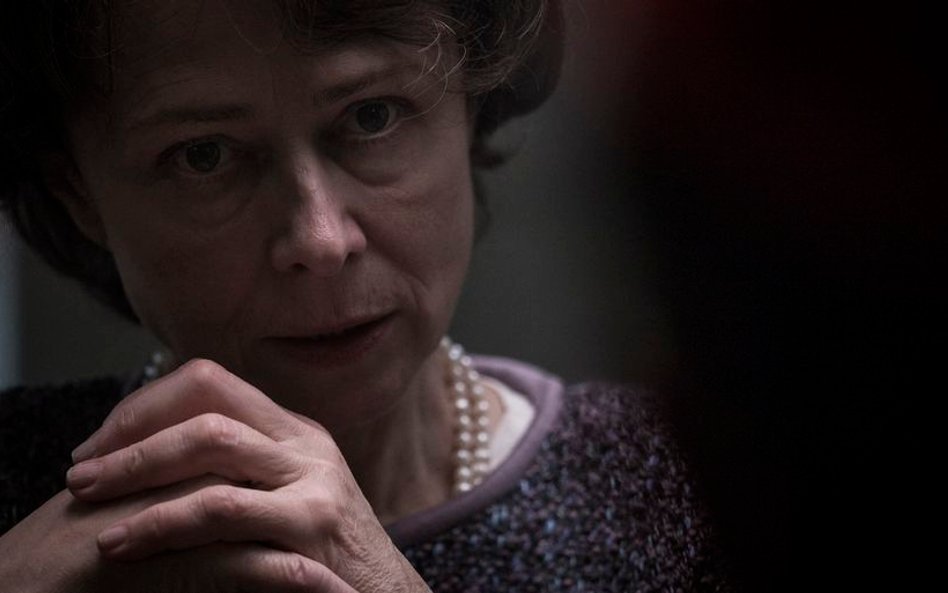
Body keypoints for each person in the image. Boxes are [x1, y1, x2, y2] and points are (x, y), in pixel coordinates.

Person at [0, 1, 729, 590]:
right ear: (78, 194)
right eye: (204, 154)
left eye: (372, 115)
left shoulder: (688, 493)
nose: (320, 240)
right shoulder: (18, 496)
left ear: (471, 104)